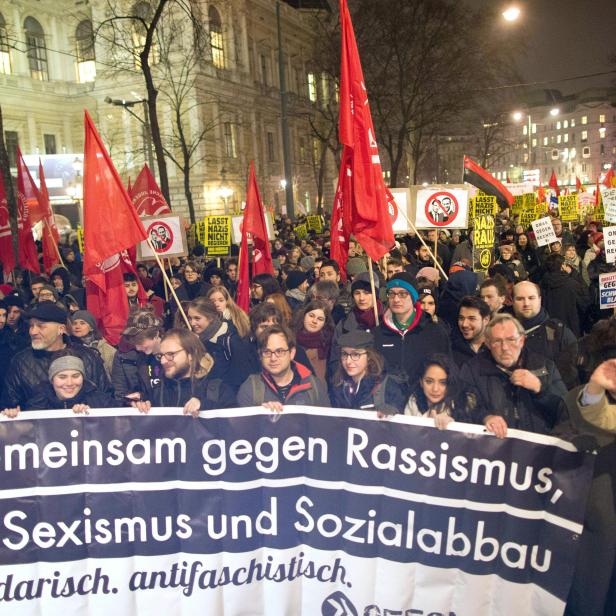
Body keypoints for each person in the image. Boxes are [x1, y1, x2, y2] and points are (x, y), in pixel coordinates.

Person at [459, 314, 567, 437]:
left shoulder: (545, 367)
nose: (504, 347)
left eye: (511, 340)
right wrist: (485, 417)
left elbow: (565, 412)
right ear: (488, 344)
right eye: (497, 341)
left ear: (521, 341)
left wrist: (540, 389)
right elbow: (463, 405)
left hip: (538, 450)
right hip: (492, 449)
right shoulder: (472, 369)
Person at [1, 302, 111, 413]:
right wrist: (10, 412)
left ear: (61, 329)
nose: (33, 331)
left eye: (40, 326)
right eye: (31, 326)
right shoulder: (21, 362)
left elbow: (106, 397)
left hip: (85, 427)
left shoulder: (88, 357)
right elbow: (9, 404)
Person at [372, 273, 450, 395]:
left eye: (403, 294)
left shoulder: (435, 332)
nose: (396, 299)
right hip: (388, 405)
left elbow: (447, 371)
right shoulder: (378, 334)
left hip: (424, 403)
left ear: (413, 297)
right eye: (391, 294)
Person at [131, 328, 236, 416]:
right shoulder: (155, 392)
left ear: (191, 354)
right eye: (161, 356)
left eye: (170, 354)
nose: (163, 361)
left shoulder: (217, 390)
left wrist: (204, 406)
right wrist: (139, 407)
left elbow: (238, 429)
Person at [237, 324, 330, 409]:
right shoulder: (250, 389)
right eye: (267, 352)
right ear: (260, 355)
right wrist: (262, 417)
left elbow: (326, 424)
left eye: (280, 351)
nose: (273, 358)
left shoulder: (313, 386)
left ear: (292, 353)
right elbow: (241, 427)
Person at [512, 280, 579, 389]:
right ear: (512, 301)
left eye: (531, 298)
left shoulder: (559, 333)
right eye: (520, 299)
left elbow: (571, 377)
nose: (526, 303)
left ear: (539, 300)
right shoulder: (505, 334)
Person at [187, 297, 258, 389]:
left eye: (197, 318)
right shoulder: (199, 341)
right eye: (190, 318)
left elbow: (240, 378)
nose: (192, 323)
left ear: (211, 317)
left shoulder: (233, 339)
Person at [330, 330, 406, 414]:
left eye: (355, 354)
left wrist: (392, 411)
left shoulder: (386, 385)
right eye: (344, 354)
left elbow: (399, 414)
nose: (348, 361)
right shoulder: (339, 384)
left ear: (369, 356)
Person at [16, 353, 116, 413]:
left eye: (75, 376)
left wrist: (92, 419)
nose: (69, 383)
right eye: (62, 377)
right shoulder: (37, 404)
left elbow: (123, 419)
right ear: (52, 380)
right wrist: (11, 420)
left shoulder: (100, 401)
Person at [404, 354, 481, 429]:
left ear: (450, 383)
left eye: (443, 383)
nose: (435, 389)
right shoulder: (413, 402)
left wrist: (452, 426)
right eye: (429, 381)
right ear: (421, 382)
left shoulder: (464, 404)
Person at [111, 308, 164, 402]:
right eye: (135, 343)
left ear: (156, 334)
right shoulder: (142, 358)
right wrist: (138, 399)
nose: (138, 348)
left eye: (140, 342)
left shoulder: (175, 354)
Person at [539, 252, 588, 338]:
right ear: (562, 266)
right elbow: (585, 301)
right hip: (571, 329)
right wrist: (574, 274)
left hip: (550, 330)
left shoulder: (541, 284)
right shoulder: (572, 284)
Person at [293, 300, 334, 383]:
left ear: (325, 323)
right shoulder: (291, 338)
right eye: (311, 316)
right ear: (304, 315)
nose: (314, 321)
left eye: (320, 319)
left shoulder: (329, 343)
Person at [70, 310, 117, 378]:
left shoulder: (107, 350)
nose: (77, 326)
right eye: (74, 323)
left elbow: (116, 378)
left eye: (82, 323)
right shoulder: (68, 348)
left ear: (91, 327)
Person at [452, 295, 491, 366]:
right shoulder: (452, 348)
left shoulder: (495, 347)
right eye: (461, 318)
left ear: (486, 320)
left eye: (471, 319)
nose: (464, 324)